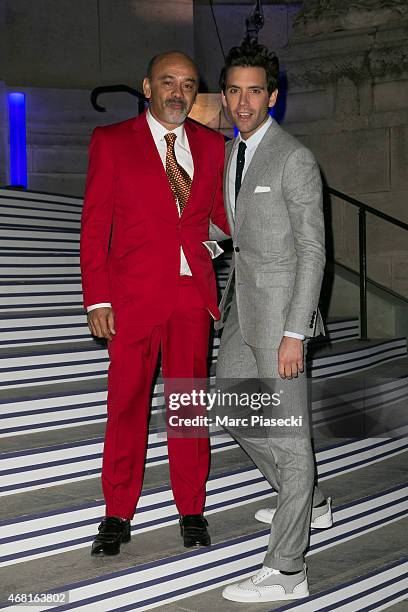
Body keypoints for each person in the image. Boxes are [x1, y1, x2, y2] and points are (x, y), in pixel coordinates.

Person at [80, 50, 230, 556]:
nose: (177, 93)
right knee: (126, 406)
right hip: (131, 299)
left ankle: (191, 507)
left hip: (191, 297)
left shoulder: (213, 146)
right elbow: (95, 226)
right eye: (168, 81)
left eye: (188, 85)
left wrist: (215, 244)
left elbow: (225, 218)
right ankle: (117, 513)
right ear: (147, 86)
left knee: (187, 408)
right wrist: (97, 296)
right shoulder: (112, 142)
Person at [215, 41, 333, 602]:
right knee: (228, 406)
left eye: (254, 90)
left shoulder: (293, 157)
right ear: (224, 95)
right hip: (243, 310)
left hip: (281, 317)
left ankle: (287, 569)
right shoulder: (232, 152)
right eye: (235, 90)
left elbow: (313, 251)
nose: (243, 101)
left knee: (290, 439)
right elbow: (243, 234)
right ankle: (307, 497)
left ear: (273, 97)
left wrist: (295, 332)